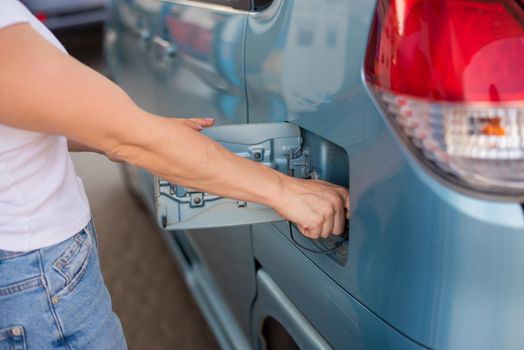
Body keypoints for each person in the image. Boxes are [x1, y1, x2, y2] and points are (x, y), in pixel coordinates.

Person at [0, 1, 349, 349]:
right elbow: (128, 138)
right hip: (34, 282)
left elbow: (37, 113)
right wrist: (287, 193)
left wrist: (118, 131)